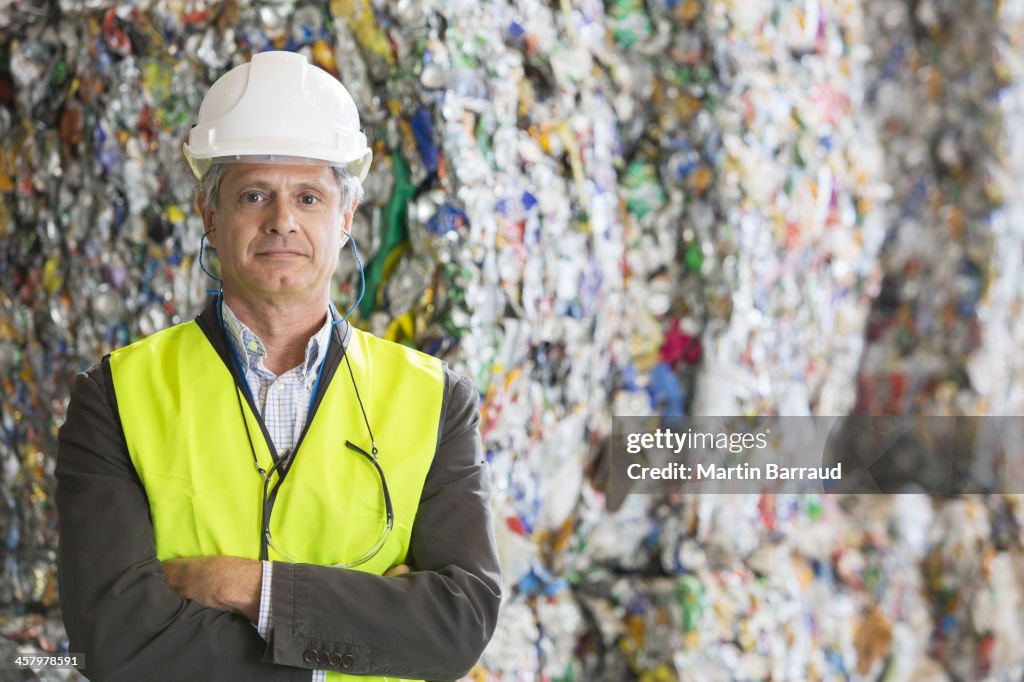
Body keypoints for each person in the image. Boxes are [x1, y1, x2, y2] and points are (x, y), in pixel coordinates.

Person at [56, 51, 502, 682]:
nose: (282, 221)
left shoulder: (435, 399)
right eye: (255, 194)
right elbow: (114, 640)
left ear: (345, 218)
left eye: (310, 196)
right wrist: (358, 642)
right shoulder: (115, 395)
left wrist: (245, 586)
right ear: (211, 216)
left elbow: (457, 627)